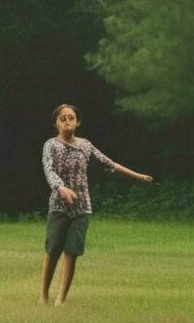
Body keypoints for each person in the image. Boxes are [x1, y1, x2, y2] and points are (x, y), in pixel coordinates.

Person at [39, 103, 153, 305]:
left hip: (82, 208)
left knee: (72, 251)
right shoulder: (51, 145)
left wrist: (136, 175)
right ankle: (44, 295)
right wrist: (61, 188)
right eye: (62, 118)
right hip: (58, 206)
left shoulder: (85, 145)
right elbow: (49, 170)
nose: (67, 121)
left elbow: (109, 163)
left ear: (78, 122)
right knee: (53, 250)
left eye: (71, 117)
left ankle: (60, 300)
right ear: (56, 123)